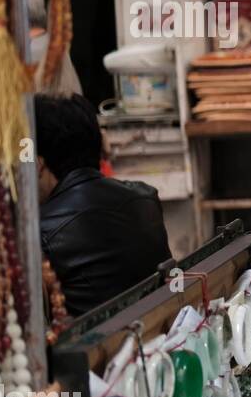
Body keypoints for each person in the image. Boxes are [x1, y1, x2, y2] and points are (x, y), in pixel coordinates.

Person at [36, 94, 173, 317]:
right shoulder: (145, 197)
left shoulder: (42, 231)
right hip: (157, 332)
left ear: (39, 165)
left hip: (103, 347)